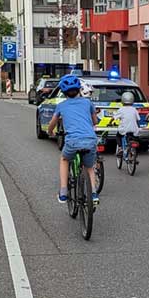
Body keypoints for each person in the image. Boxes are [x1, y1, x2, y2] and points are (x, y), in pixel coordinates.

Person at [45, 74, 99, 204]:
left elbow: (53, 122)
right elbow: (95, 121)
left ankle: (63, 192)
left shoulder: (61, 106)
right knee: (89, 167)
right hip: (90, 139)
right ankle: (94, 194)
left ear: (63, 92)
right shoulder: (87, 103)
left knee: (64, 159)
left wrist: (50, 131)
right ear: (79, 89)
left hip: (72, 141)